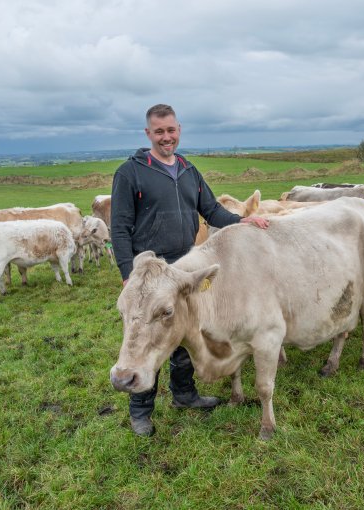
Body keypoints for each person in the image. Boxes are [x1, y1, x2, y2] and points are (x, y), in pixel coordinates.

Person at [110, 104, 269, 436]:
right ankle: (140, 409)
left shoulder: (188, 170)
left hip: (186, 269)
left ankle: (184, 394)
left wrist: (243, 220)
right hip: (150, 272)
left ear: (179, 129)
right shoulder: (131, 172)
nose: (166, 137)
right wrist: (128, 275)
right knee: (145, 338)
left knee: (184, 333)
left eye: (171, 130)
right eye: (159, 132)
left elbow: (211, 210)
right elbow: (120, 228)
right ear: (148, 134)